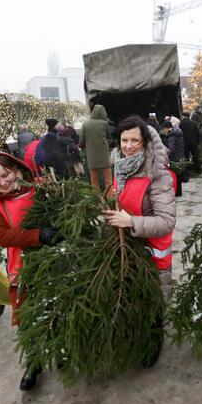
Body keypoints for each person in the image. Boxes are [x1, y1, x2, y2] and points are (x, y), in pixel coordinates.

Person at [0, 151, 59, 390]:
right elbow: (1, 235)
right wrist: (37, 236)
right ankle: (34, 361)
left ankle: (63, 349)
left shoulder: (39, 189)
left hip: (52, 259)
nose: (3, 182)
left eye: (6, 175)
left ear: (16, 170)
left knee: (56, 306)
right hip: (21, 264)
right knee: (27, 314)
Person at [104, 116, 176, 367]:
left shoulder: (159, 176)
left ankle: (153, 344)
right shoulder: (120, 168)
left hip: (152, 254)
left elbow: (167, 222)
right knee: (133, 298)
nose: (128, 145)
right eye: (124, 140)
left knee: (153, 302)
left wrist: (131, 222)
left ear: (146, 142)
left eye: (135, 140)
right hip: (128, 251)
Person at [80, 104, 112, 191]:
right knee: (108, 180)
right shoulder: (104, 123)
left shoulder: (85, 124)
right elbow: (109, 137)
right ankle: (110, 199)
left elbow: (81, 142)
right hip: (104, 155)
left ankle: (96, 200)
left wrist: (82, 147)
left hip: (91, 156)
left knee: (94, 181)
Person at [161, 120, 185, 197]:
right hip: (179, 156)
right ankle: (179, 191)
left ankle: (176, 192)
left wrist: (166, 155)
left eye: (164, 129)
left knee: (174, 175)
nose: (163, 131)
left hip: (175, 158)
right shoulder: (177, 132)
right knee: (178, 175)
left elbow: (172, 149)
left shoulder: (171, 135)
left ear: (167, 128)